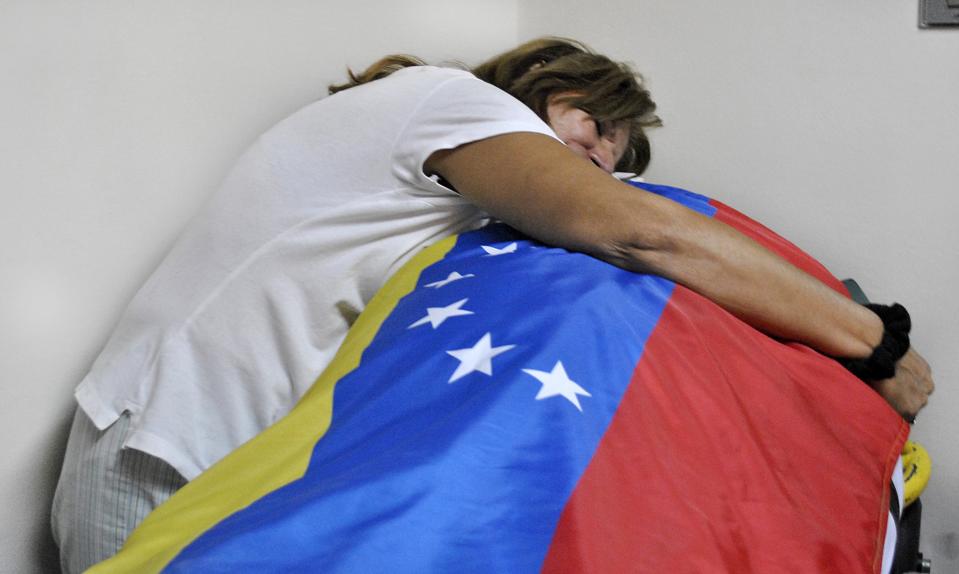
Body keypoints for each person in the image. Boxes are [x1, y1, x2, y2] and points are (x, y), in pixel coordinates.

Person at [51, 37, 933, 573]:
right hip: (166, 455)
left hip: (254, 479)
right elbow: (641, 233)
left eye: (616, 162)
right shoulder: (443, 99)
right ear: (543, 83)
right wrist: (872, 347)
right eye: (594, 132)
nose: (595, 168)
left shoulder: (460, 209)